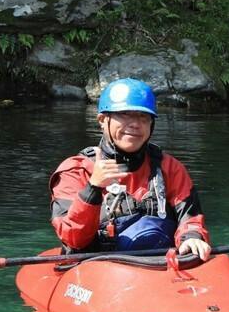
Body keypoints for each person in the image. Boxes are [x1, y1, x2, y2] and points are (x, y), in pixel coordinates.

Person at [49, 78, 212, 261]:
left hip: (158, 267)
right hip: (97, 268)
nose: (135, 124)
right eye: (125, 114)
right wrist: (93, 188)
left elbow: (190, 219)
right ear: (103, 120)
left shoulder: (170, 168)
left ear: (152, 123)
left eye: (143, 117)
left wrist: (191, 237)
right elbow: (74, 239)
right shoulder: (75, 171)